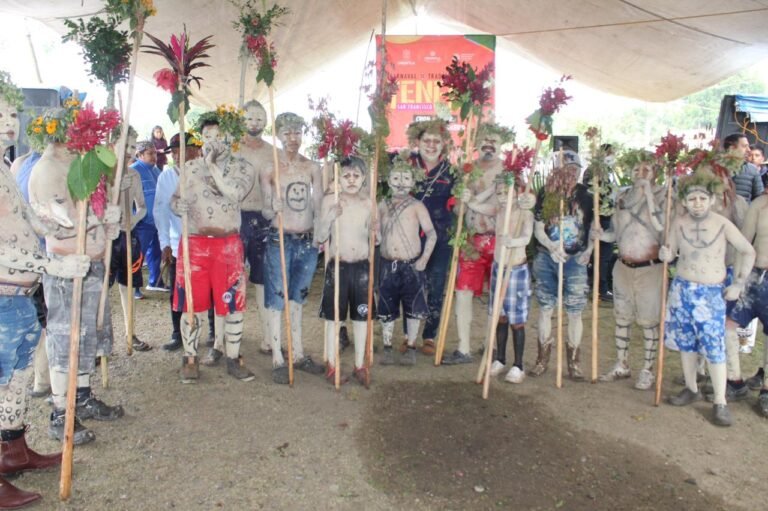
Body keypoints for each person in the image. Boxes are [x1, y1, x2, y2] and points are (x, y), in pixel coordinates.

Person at [0, 73, 89, 509]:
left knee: (15, 384)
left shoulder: (4, 167)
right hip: (2, 296)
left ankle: (12, 450)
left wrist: (50, 223)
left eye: (11, 112)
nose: (7, 122)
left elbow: (24, 218)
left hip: (17, 302)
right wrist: (53, 263)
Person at [28, 107, 125, 445]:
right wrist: (98, 222)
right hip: (67, 269)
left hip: (92, 265)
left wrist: (109, 220)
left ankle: (81, 397)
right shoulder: (46, 170)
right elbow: (58, 224)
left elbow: (94, 210)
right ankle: (60, 413)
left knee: (88, 338)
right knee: (65, 338)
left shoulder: (81, 163)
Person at [661, 165, 755, 427]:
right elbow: (671, 250)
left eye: (703, 198)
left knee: (714, 348)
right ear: (684, 201)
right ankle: (691, 388)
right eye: (692, 199)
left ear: (712, 199)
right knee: (686, 343)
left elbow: (747, 251)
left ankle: (720, 401)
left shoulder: (723, 224)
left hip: (711, 294)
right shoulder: (679, 223)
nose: (698, 204)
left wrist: (738, 283)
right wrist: (666, 254)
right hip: (682, 291)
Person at [172, 116, 255, 383]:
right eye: (207, 137)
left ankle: (233, 356)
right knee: (192, 305)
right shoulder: (189, 168)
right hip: (194, 244)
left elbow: (234, 194)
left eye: (217, 136)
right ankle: (190, 357)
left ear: (229, 139)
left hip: (228, 246)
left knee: (232, 305)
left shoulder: (242, 167)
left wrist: (213, 166)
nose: (212, 142)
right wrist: (177, 206)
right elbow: (175, 199)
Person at [261, 112, 325, 383]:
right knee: (277, 297)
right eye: (286, 133)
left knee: (298, 297)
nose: (292, 138)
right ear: (278, 135)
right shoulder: (269, 168)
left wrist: (321, 234)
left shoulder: (312, 168)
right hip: (280, 238)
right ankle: (277, 356)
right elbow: (265, 211)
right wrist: (270, 207)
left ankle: (297, 353)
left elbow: (319, 205)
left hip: (306, 241)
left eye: (297, 132)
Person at [442, 122, 512, 366]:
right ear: (476, 143)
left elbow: (501, 208)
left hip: (499, 241)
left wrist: (473, 202)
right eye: (484, 139)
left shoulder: (507, 171)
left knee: (497, 295)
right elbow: (458, 207)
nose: (489, 144)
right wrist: (463, 202)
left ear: (501, 143)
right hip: (470, 241)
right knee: (462, 292)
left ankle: (491, 344)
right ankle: (463, 348)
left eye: (494, 139)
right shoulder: (467, 171)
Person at [596, 150, 665, 390]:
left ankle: (647, 369)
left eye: (647, 169)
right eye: (637, 170)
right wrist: (601, 235)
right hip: (623, 267)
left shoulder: (663, 196)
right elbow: (616, 233)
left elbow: (663, 229)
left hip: (650, 269)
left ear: (656, 172)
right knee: (622, 318)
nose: (641, 174)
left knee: (648, 321)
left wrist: (648, 195)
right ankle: (622, 364)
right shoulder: (621, 198)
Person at [529, 150, 594, 380]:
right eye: (566, 169)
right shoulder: (546, 193)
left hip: (575, 261)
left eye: (575, 169)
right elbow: (537, 228)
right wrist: (552, 246)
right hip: (547, 258)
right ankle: (542, 359)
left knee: (575, 311)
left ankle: (574, 363)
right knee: (546, 307)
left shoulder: (587, 195)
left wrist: (589, 251)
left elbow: (594, 229)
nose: (571, 173)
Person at [466, 173, 534, 382]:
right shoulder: (498, 210)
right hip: (499, 268)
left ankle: (518, 365)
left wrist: (512, 242)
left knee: (517, 320)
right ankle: (501, 359)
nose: (503, 196)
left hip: (516, 269)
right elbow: (474, 204)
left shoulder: (524, 213)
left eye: (507, 192)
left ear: (518, 191)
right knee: (500, 316)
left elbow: (527, 237)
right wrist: (491, 188)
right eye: (500, 192)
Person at [314, 156, 376, 384]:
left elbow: (375, 241)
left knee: (361, 318)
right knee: (333, 319)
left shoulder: (368, 202)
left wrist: (375, 230)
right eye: (346, 175)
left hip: (361, 267)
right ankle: (332, 364)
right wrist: (330, 217)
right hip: (337, 266)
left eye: (356, 176)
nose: (351, 180)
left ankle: (360, 365)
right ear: (338, 178)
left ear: (363, 179)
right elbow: (320, 237)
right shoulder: (330, 200)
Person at [377, 153, 437, 366]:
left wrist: (423, 259)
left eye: (405, 179)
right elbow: (375, 231)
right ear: (387, 180)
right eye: (396, 178)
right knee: (386, 307)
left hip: (412, 266)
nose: (401, 183)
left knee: (413, 308)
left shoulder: (417, 206)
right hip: (387, 265)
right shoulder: (382, 205)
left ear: (413, 181)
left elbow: (431, 233)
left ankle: (411, 345)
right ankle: (387, 346)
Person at [406, 119, 455, 356]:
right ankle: (409, 335)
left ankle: (430, 335)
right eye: (427, 140)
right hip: (410, 235)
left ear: (444, 144)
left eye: (437, 141)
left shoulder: (452, 171)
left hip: (441, 237)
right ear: (418, 141)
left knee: (436, 285)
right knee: (411, 284)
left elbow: (456, 203)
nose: (431, 145)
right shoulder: (405, 164)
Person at [155, 132, 201, 352]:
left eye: (177, 151)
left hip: (204, 241)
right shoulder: (167, 177)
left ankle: (212, 333)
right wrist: (164, 243)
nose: (174, 156)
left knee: (207, 288)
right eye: (172, 152)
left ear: (193, 150)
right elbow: (161, 210)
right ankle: (177, 334)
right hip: (177, 243)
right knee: (177, 290)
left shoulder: (206, 171)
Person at [239, 100, 276, 355]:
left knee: (264, 280)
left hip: (264, 219)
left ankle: (268, 337)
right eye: (250, 118)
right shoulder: (232, 147)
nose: (255, 123)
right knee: (234, 279)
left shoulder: (273, 152)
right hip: (235, 217)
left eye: (259, 118)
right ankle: (227, 338)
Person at [726, 190, 768, 416]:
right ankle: (735, 381)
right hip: (753, 277)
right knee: (728, 326)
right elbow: (744, 243)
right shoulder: (759, 205)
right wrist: (739, 280)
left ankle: (766, 390)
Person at [110, 128, 152, 352]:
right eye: (124, 145)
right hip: (107, 238)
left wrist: (133, 221)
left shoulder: (134, 174)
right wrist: (114, 190)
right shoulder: (101, 173)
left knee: (128, 287)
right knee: (101, 291)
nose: (129, 151)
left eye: (132, 146)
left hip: (128, 235)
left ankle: (130, 332)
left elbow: (142, 207)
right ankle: (100, 342)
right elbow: (97, 208)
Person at [130, 140, 165, 294]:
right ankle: (134, 288)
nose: (154, 156)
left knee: (157, 252)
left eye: (155, 153)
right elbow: (129, 199)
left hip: (157, 222)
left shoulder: (156, 170)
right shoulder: (133, 170)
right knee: (138, 255)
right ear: (139, 155)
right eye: (150, 153)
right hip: (142, 223)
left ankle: (156, 281)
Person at [724, 133, 763, 202]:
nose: (749, 150)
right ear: (732, 148)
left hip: (743, 211)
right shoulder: (715, 167)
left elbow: (759, 198)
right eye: (745, 146)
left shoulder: (752, 169)